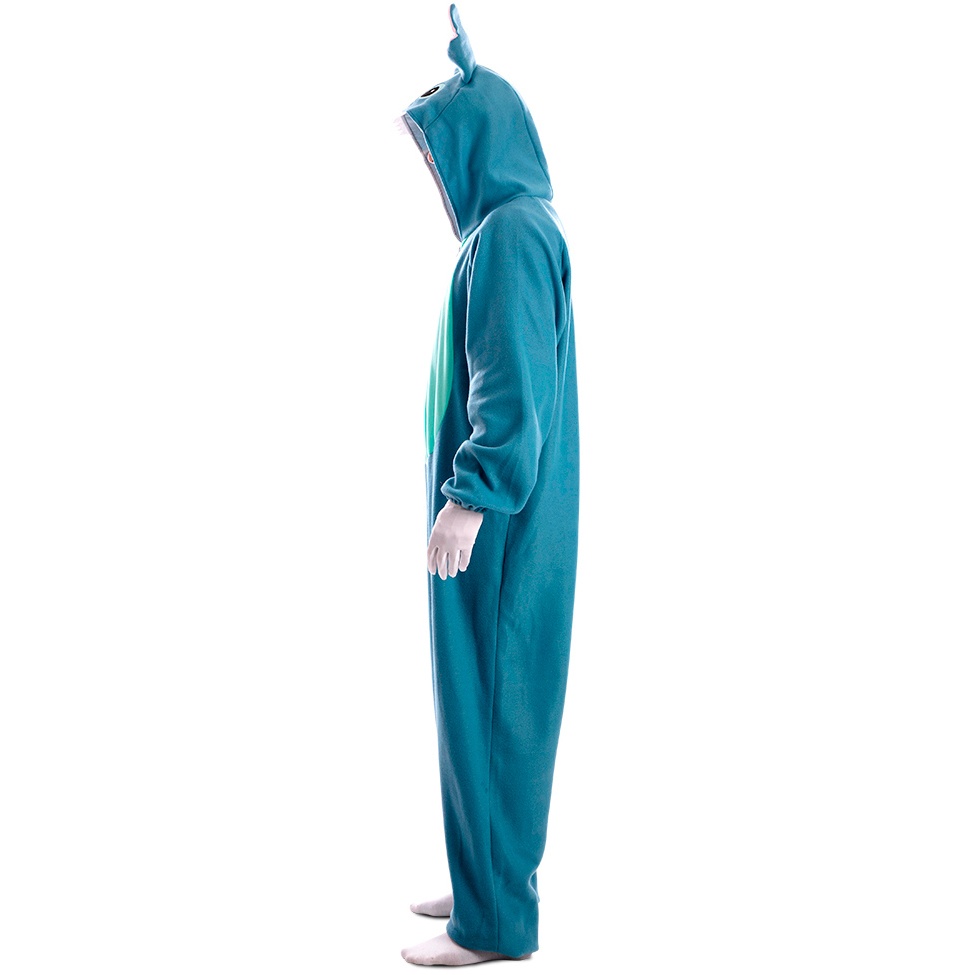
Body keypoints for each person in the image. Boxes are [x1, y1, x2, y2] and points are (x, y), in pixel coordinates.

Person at [398, 5, 580, 966]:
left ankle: (496, 918)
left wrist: (471, 496)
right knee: (472, 698)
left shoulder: (510, 235)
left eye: (442, 158)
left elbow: (509, 385)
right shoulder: (503, 233)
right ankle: (481, 876)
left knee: (500, 701)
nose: (437, 178)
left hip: (499, 523)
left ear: (482, 143)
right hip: (496, 516)